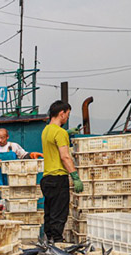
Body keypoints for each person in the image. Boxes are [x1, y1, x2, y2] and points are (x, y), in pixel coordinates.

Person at [40, 101, 84, 243]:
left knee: (50, 212)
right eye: (67, 114)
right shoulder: (59, 133)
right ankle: (58, 242)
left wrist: (66, 133)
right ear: (62, 113)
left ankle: (49, 239)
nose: (67, 118)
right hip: (58, 178)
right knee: (59, 213)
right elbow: (65, 156)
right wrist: (75, 176)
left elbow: (53, 142)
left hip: (47, 179)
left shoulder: (46, 130)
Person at [0, 128, 42, 219]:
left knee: (18, 198)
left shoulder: (14, 146)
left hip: (13, 178)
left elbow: (24, 155)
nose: (0, 140)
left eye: (2, 138)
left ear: (7, 137)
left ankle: (19, 219)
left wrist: (31, 155)